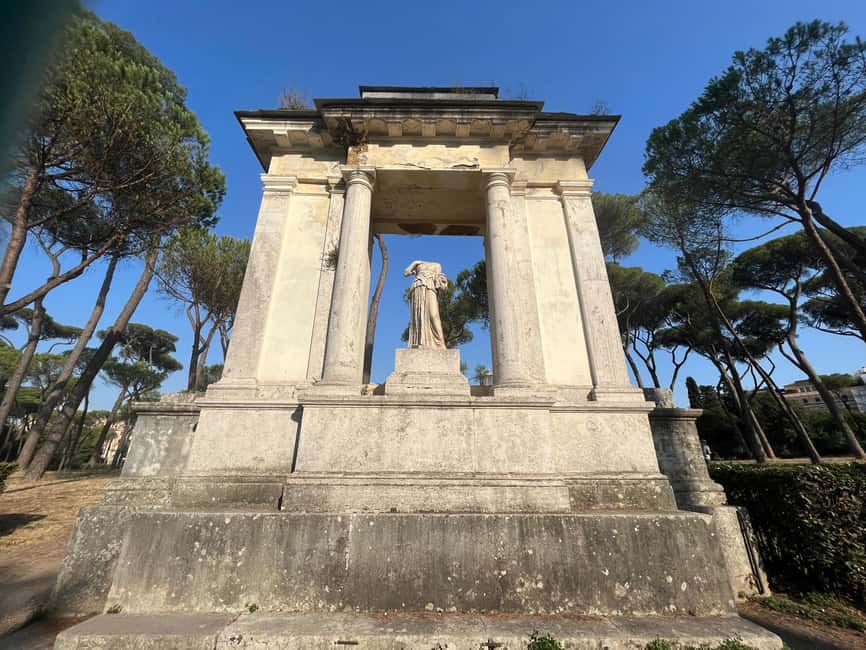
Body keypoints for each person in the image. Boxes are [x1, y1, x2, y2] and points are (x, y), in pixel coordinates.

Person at [404, 260, 448, 349]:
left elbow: (440, 280)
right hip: (418, 286)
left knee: (434, 315)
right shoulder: (417, 264)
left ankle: (440, 343)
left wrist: (443, 281)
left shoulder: (437, 265)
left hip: (430, 286)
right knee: (419, 314)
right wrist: (415, 262)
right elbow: (406, 273)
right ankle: (420, 342)